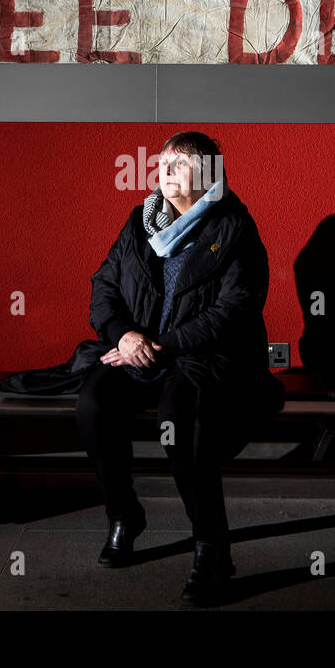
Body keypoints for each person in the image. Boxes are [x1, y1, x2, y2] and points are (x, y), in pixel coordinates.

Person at [76, 131, 285, 606]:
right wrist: (122, 336)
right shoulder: (140, 222)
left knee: (180, 421)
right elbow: (104, 284)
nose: (167, 171)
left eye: (182, 163)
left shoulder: (234, 227)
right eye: (163, 162)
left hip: (199, 356)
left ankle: (212, 545)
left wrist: (162, 344)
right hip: (138, 352)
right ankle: (124, 516)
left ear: (209, 173)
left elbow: (235, 309)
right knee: (93, 402)